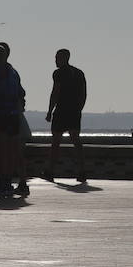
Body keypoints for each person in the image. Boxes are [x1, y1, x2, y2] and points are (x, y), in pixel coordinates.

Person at [0, 42, 25, 198]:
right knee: (9, 150)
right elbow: (21, 92)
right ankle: (6, 182)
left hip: (3, 114)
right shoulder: (13, 71)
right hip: (13, 115)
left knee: (2, 150)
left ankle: (3, 182)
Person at [45, 48, 87, 182]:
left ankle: (50, 171)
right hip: (74, 111)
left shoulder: (58, 73)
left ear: (64, 58)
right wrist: (79, 108)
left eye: (57, 58)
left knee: (56, 141)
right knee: (76, 140)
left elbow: (55, 92)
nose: (55, 60)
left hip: (62, 110)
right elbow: (83, 94)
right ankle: (82, 171)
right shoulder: (79, 73)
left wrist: (49, 111)